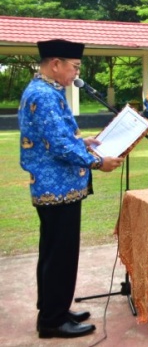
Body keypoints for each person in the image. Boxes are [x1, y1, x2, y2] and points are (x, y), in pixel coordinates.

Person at [19, 39, 124, 339]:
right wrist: (97, 162)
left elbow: (58, 137)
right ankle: (52, 320)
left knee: (53, 252)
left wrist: (83, 141)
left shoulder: (44, 90)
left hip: (56, 186)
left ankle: (54, 309)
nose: (76, 73)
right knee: (60, 255)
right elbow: (59, 146)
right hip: (58, 188)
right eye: (74, 67)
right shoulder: (45, 94)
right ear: (56, 64)